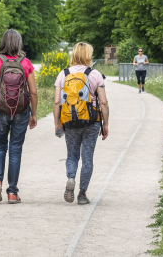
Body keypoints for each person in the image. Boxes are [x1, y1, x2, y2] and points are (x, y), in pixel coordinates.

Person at [0, 29, 38, 204]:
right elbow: (33, 92)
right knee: (15, 150)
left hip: (0, 110)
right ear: (18, 43)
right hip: (21, 111)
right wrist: (34, 114)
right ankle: (12, 193)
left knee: (0, 147)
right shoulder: (26, 63)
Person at [54, 42, 110, 205]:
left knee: (72, 155)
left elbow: (57, 102)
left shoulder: (63, 74)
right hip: (91, 122)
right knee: (87, 158)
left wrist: (57, 123)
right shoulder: (95, 74)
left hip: (70, 122)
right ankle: (82, 194)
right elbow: (104, 102)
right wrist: (105, 124)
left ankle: (71, 178)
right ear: (88, 55)